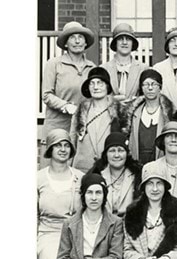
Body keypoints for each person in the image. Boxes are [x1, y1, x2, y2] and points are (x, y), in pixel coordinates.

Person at [38, 129, 84, 259]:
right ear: (50, 149)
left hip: (74, 233)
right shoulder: (38, 178)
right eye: (58, 145)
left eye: (67, 145)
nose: (63, 149)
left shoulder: (79, 177)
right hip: (48, 232)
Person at [41, 21, 95, 159]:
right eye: (72, 37)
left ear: (85, 43)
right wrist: (65, 106)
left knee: (78, 171)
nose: (77, 41)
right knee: (52, 171)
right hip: (57, 125)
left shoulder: (92, 67)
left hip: (81, 128)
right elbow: (46, 94)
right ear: (66, 43)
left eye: (80, 37)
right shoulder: (54, 64)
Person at [70, 66, 128, 172]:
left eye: (100, 83)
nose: (96, 87)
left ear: (107, 86)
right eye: (92, 83)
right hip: (82, 168)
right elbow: (72, 140)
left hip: (109, 168)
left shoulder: (119, 111)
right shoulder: (81, 111)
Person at [123, 69, 175, 164]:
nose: (150, 88)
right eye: (146, 84)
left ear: (160, 87)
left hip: (162, 164)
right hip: (136, 164)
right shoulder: (133, 113)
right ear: (141, 88)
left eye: (154, 84)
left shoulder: (169, 114)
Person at [88, 132, 142, 217]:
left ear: (127, 154)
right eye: (112, 151)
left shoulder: (137, 176)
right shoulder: (97, 175)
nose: (116, 155)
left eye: (120, 150)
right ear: (106, 154)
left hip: (129, 224)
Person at [101, 23, 148, 102]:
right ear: (115, 43)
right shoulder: (104, 68)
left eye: (128, 39)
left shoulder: (143, 68)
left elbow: (148, 95)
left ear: (132, 43)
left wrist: (135, 101)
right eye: (120, 39)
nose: (125, 42)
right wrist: (113, 100)